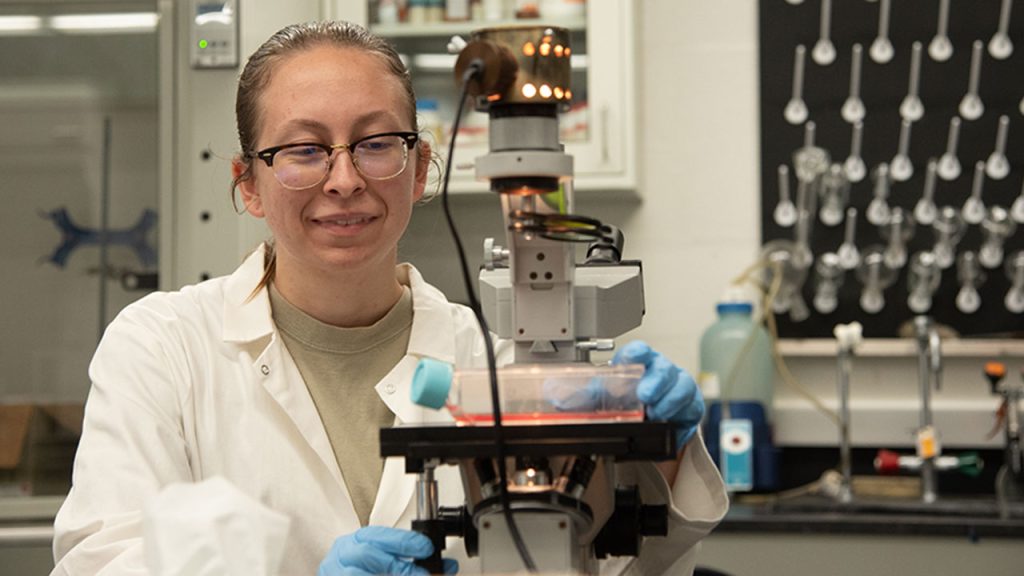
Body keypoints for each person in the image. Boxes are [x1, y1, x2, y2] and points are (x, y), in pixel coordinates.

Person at [52, 20, 727, 575]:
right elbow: (98, 563)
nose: (344, 179)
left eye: (377, 143)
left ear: (421, 169)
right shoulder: (162, 349)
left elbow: (615, 568)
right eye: (304, 149)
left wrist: (659, 451)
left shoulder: (501, 361)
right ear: (249, 184)